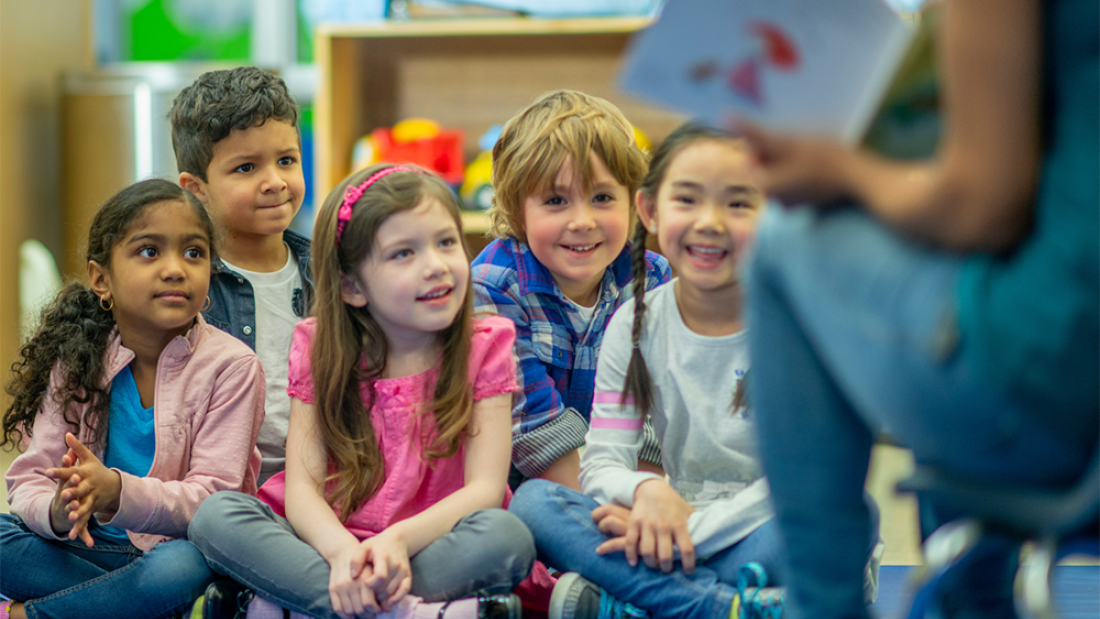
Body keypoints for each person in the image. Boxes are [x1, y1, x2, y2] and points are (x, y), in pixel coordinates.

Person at [738, 1, 1100, 618]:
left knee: (776, 240)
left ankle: (824, 608)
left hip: (1058, 383)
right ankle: (973, 586)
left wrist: (842, 170)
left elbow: (982, 206)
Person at [511, 124, 881, 619]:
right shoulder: (635, 323)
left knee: (845, 515)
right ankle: (726, 606)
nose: (710, 222)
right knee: (535, 504)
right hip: (668, 525)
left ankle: (641, 599)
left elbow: (803, 479)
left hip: (758, 530)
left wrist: (690, 534)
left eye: (738, 203)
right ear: (650, 211)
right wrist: (648, 491)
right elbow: (602, 466)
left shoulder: (802, 324)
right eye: (687, 199)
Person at [188, 164, 535, 619]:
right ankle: (405, 612)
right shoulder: (319, 348)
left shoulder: (486, 344)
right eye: (403, 253)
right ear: (352, 286)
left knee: (506, 538)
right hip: (326, 543)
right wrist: (341, 555)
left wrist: (397, 540)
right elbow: (304, 490)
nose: (435, 265)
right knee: (216, 518)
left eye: (445, 242)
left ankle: (303, 606)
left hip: (427, 544)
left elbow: (485, 489)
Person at [0, 179, 266, 619]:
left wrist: (115, 492)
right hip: (84, 550)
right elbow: (29, 479)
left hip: (176, 552)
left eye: (194, 253)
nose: (176, 268)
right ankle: (139, 608)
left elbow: (212, 500)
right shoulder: (78, 357)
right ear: (101, 279)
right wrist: (59, 512)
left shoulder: (233, 366)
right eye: (149, 251)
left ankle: (32, 615)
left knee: (181, 570)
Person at [472, 90, 671, 492]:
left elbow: (657, 408)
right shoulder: (494, 286)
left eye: (601, 198)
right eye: (556, 200)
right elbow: (534, 428)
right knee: (537, 503)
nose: (582, 221)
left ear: (634, 205)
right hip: (530, 484)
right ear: (517, 210)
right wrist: (620, 506)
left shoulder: (650, 278)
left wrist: (646, 501)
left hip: (632, 483)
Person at [170, 65, 313, 485]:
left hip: (321, 482)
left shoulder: (330, 271)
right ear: (195, 189)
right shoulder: (181, 285)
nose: (274, 182)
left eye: (286, 160)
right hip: (222, 488)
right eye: (246, 168)